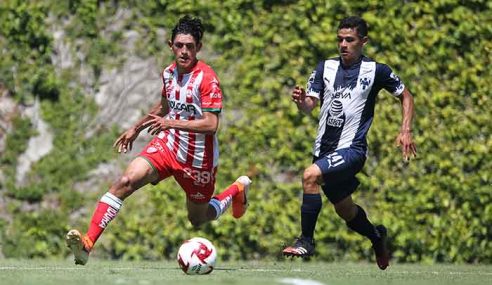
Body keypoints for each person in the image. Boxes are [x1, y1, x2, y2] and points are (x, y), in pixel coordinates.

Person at [66, 16, 252, 265]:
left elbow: (211, 124)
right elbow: (165, 106)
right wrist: (136, 127)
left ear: (199, 48)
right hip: (168, 146)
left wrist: (170, 122)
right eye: (179, 45)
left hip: (198, 160)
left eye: (189, 46)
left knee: (198, 218)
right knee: (125, 181)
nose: (184, 51)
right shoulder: (168, 73)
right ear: (170, 45)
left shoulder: (207, 78)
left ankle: (236, 190)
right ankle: (87, 244)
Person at [282, 16, 416, 270]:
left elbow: (406, 96)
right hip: (324, 151)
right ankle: (376, 236)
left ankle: (306, 241)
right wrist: (301, 102)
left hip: (352, 150)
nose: (343, 44)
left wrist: (405, 129)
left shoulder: (377, 70)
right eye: (340, 39)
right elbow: (309, 106)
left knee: (310, 176)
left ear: (363, 42)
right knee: (346, 211)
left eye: (349, 40)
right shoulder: (324, 68)